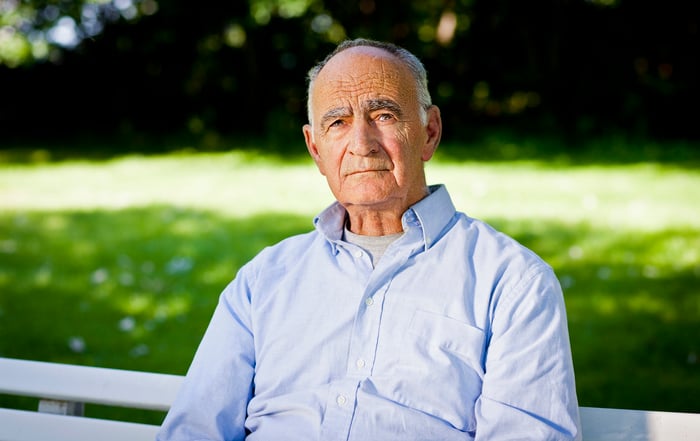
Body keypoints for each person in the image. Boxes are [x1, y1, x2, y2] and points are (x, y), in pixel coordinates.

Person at [156, 38, 581, 441]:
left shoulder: (513, 282)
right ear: (316, 149)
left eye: (384, 116)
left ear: (429, 132)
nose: (362, 144)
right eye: (337, 122)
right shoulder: (262, 281)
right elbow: (194, 430)